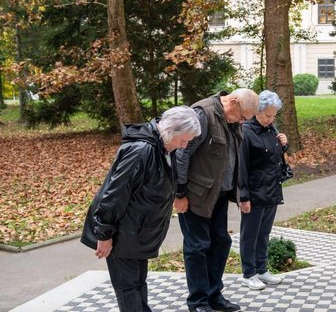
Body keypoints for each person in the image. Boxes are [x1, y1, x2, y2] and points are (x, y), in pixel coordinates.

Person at [81, 106, 201, 312]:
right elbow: (114, 194)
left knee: (138, 283)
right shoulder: (141, 150)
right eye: (183, 140)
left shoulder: (162, 148)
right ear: (170, 130)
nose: (184, 145)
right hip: (122, 233)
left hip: (137, 233)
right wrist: (104, 234)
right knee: (128, 288)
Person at [175, 89, 259, 312]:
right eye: (242, 117)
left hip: (219, 196)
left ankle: (214, 295)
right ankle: (198, 302)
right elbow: (181, 154)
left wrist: (241, 193)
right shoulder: (202, 115)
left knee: (221, 242)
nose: (242, 122)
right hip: (196, 197)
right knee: (197, 247)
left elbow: (235, 159)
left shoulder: (233, 120)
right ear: (232, 102)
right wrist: (179, 194)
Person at [238, 90, 288, 290]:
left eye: (274, 115)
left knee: (264, 233)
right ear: (257, 112)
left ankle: (262, 269)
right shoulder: (246, 132)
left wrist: (283, 146)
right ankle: (248, 273)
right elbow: (241, 167)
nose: (271, 119)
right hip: (254, 192)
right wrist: (243, 196)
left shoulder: (271, 129)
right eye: (268, 115)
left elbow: (272, 157)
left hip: (272, 189)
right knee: (250, 234)